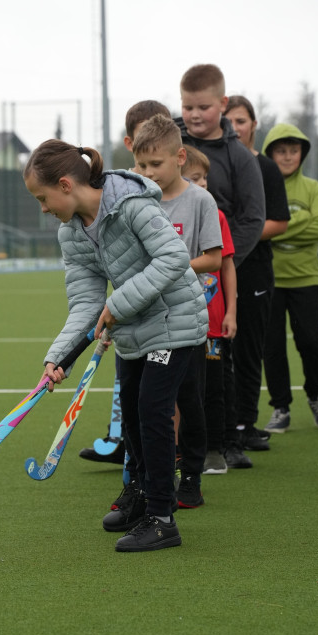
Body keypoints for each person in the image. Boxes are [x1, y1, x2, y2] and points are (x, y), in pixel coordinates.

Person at [23, 139, 208, 552]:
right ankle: (142, 495)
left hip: (175, 321)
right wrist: (59, 358)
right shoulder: (71, 233)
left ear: (66, 184)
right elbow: (86, 303)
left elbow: (174, 259)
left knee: (152, 410)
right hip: (132, 330)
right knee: (134, 419)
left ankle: (162, 520)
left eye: (43, 197)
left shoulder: (132, 204)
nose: (43, 207)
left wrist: (117, 303)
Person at [176, 63, 266, 469]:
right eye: (188, 106)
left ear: (223, 104)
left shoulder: (239, 157)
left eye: (204, 106)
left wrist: (222, 258)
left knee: (225, 364)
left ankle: (230, 439)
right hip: (176, 280)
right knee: (183, 371)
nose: (194, 115)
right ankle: (182, 444)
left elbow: (252, 218)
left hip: (229, 272)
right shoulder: (171, 146)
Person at [129, 115, 221, 508]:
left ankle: (193, 476)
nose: (147, 173)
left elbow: (214, 259)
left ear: (180, 157)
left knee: (190, 400)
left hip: (186, 318)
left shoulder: (200, 200)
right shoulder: (136, 201)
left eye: (155, 165)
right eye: (141, 165)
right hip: (147, 319)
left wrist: (171, 266)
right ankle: (146, 479)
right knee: (149, 404)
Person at [78, 99, 172, 466]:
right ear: (130, 143)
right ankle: (123, 447)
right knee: (132, 394)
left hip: (170, 313)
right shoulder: (120, 191)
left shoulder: (155, 194)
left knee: (161, 402)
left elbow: (171, 258)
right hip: (133, 311)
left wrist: (118, 303)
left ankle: (178, 461)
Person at [223, 96, 290, 450]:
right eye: (228, 121)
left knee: (249, 349)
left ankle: (244, 423)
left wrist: (232, 239)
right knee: (218, 353)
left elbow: (278, 221)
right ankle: (221, 425)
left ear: (253, 125)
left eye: (241, 121)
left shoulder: (266, 169)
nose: (234, 128)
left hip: (254, 273)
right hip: (215, 271)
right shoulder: (215, 164)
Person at [261, 123, 318, 431]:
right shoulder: (262, 184)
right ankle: (281, 407)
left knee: (311, 341)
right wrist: (303, 220)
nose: (287, 157)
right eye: (281, 151)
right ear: (270, 154)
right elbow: (257, 227)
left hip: (307, 279)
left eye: (293, 151)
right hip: (270, 280)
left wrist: (279, 226)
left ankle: (317, 396)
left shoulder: (313, 188)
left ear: (302, 153)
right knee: (272, 348)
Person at [181, 145, 237, 475]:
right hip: (176, 325)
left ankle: (215, 450)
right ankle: (181, 452)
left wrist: (231, 312)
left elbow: (227, 266)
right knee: (180, 391)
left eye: (204, 178)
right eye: (194, 178)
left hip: (213, 324)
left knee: (213, 388)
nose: (202, 185)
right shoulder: (164, 215)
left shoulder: (216, 216)